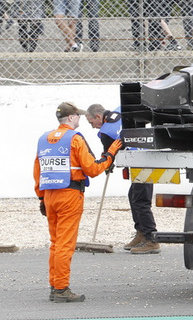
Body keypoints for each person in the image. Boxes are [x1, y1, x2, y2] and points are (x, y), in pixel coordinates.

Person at [33, 102, 122, 302]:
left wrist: (40, 198)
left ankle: (55, 285)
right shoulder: (74, 139)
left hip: (49, 196)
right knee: (65, 244)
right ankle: (61, 289)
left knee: (55, 244)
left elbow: (37, 172)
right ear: (72, 118)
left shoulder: (44, 139)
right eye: (78, 117)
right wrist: (110, 154)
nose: (80, 120)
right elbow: (92, 169)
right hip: (69, 196)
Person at [85, 104, 161, 254]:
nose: (93, 127)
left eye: (91, 123)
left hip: (142, 162)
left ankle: (152, 240)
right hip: (146, 155)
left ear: (99, 117)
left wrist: (107, 166)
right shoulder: (120, 110)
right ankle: (141, 234)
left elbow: (109, 156)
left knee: (140, 201)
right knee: (133, 195)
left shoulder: (105, 132)